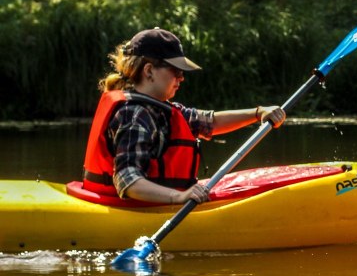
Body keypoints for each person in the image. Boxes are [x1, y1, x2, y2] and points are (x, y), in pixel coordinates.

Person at [82, 27, 286, 205]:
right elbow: (128, 180)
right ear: (149, 70)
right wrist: (178, 197)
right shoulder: (134, 114)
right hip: (128, 207)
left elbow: (210, 122)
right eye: (175, 70)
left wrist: (258, 113)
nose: (181, 78)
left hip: (157, 203)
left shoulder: (160, 108)